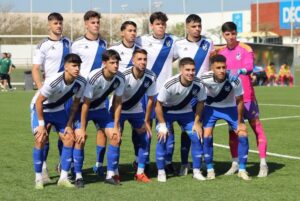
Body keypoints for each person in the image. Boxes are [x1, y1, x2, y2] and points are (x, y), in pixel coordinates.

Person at [218, 21, 268, 177]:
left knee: (256, 128)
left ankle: (263, 164)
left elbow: (250, 66)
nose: (231, 37)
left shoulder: (245, 48)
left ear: (236, 33)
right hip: (231, 99)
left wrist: (239, 70)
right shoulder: (221, 52)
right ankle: (235, 163)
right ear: (223, 35)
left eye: (233, 33)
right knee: (233, 132)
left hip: (247, 97)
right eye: (227, 34)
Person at [30, 53, 86, 189]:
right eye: (73, 66)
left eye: (78, 66)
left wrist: (69, 124)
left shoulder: (81, 82)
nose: (77, 69)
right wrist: (42, 125)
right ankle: (38, 179)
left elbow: (75, 105)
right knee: (40, 139)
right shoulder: (54, 81)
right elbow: (39, 102)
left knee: (69, 138)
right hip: (41, 109)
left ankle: (63, 178)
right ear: (66, 67)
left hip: (58, 110)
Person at [136, 11, 178, 175]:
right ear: (151, 25)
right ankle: (143, 162)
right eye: (158, 24)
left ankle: (167, 162)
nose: (161, 27)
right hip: (146, 92)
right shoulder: (142, 40)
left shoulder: (172, 41)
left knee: (167, 129)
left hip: (166, 94)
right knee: (144, 128)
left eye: (163, 24)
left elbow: (175, 58)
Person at [74, 50, 125, 186]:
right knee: (80, 138)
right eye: (112, 63)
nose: (116, 66)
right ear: (104, 63)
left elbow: (118, 102)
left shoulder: (120, 78)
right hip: (84, 109)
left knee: (115, 136)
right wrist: (83, 129)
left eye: (117, 63)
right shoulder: (94, 77)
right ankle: (78, 176)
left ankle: (110, 175)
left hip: (101, 110)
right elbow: (85, 104)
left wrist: (116, 126)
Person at [173, 14, 215, 176]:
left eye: (199, 26)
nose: (197, 29)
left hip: (205, 94)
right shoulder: (178, 45)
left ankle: (205, 161)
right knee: (187, 130)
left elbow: (215, 62)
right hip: (185, 94)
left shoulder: (208, 43)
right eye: (193, 26)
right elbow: (169, 61)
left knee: (205, 130)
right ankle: (185, 163)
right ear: (187, 27)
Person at [32, 12, 71, 179]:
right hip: (49, 93)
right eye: (55, 23)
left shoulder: (68, 42)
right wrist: (41, 88)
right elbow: (35, 68)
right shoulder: (43, 45)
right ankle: (43, 168)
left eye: (60, 23)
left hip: (65, 95)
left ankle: (64, 168)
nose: (58, 26)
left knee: (67, 133)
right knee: (44, 133)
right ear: (49, 25)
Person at [155, 57, 206, 182]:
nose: (190, 73)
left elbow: (201, 102)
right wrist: (162, 125)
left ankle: (196, 171)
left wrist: (197, 122)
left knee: (197, 137)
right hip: (167, 113)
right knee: (163, 138)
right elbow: (158, 105)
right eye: (187, 70)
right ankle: (161, 171)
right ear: (181, 70)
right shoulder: (170, 84)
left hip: (186, 113)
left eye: (193, 70)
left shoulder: (198, 84)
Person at [201, 54, 251, 181]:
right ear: (212, 68)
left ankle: (242, 169)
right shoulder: (204, 78)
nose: (222, 70)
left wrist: (240, 121)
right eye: (218, 68)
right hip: (211, 109)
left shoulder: (234, 80)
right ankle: (210, 169)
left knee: (243, 134)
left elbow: (240, 101)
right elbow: (196, 93)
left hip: (230, 108)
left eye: (224, 67)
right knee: (206, 136)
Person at [71, 10, 108, 176]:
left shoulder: (104, 44)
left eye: (98, 22)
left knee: (102, 130)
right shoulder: (76, 44)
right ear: (86, 24)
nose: (96, 25)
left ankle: (99, 164)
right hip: (80, 95)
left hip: (99, 95)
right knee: (79, 132)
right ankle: (74, 166)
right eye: (93, 22)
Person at [118, 49, 156, 183]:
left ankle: (140, 172)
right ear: (133, 61)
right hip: (119, 109)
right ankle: (114, 173)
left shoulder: (151, 76)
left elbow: (151, 99)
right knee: (116, 138)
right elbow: (117, 100)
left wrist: (146, 121)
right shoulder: (123, 75)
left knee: (145, 136)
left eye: (145, 59)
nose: (143, 62)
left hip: (136, 109)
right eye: (139, 59)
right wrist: (117, 124)